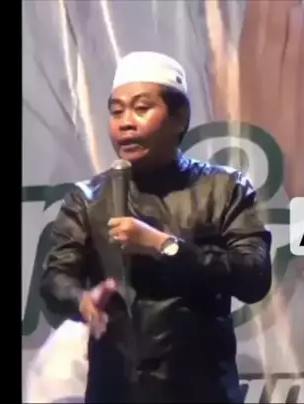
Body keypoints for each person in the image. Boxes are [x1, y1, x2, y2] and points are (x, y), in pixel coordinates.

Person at [38, 51, 273, 403]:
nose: (126, 123)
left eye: (141, 108)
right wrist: (81, 300)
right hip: (115, 393)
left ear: (179, 118)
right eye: (117, 111)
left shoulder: (224, 188)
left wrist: (165, 246)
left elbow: (254, 276)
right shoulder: (87, 198)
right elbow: (55, 279)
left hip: (203, 392)